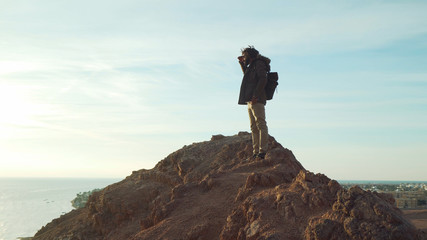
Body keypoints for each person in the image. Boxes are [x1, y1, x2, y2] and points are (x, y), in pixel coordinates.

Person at [238, 46, 271, 159]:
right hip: (250, 100)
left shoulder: (259, 64)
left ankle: (262, 151)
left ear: (250, 55)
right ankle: (255, 152)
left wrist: (255, 96)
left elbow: (263, 79)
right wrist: (242, 64)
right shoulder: (251, 65)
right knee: (253, 126)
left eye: (245, 55)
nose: (244, 57)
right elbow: (247, 76)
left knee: (260, 124)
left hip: (257, 99)